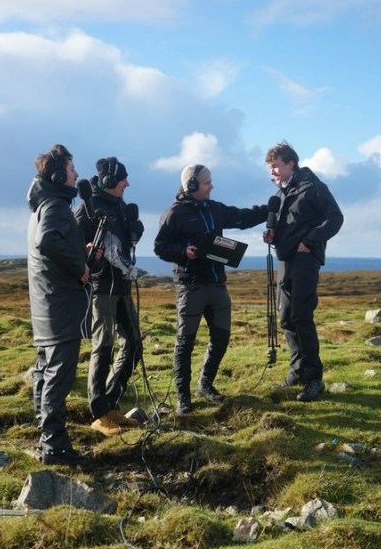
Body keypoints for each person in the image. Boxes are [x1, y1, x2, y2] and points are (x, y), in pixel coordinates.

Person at [154, 164, 268, 415]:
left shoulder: (215, 208)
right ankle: (183, 398)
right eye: (207, 183)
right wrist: (183, 252)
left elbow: (243, 217)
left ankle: (204, 384)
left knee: (221, 338)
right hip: (191, 286)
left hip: (217, 284)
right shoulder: (174, 213)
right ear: (192, 186)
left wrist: (271, 207)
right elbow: (160, 246)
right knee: (185, 343)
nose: (212, 186)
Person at [27, 144, 92, 467]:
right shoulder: (55, 206)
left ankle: (46, 439)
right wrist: (79, 268)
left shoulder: (43, 206)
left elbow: (52, 241)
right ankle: (54, 446)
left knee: (44, 372)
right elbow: (48, 241)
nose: (76, 174)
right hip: (60, 308)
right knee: (58, 376)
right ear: (57, 175)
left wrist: (80, 250)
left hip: (47, 308)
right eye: (71, 169)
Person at [263, 141, 344, 402]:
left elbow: (335, 218)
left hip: (306, 259)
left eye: (275, 166)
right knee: (286, 316)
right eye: (270, 168)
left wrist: (309, 241)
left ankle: (314, 378)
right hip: (286, 260)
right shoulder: (283, 193)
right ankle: (297, 371)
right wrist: (273, 234)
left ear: (290, 164)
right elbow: (292, 224)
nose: (272, 172)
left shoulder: (313, 187)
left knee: (300, 314)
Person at [74, 157, 143, 436]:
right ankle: (99, 414)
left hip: (123, 286)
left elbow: (125, 246)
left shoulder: (122, 207)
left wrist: (135, 233)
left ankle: (112, 403)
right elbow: (77, 254)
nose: (127, 183)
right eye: (123, 179)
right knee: (103, 347)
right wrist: (88, 254)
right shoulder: (85, 211)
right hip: (101, 289)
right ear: (108, 181)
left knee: (134, 344)